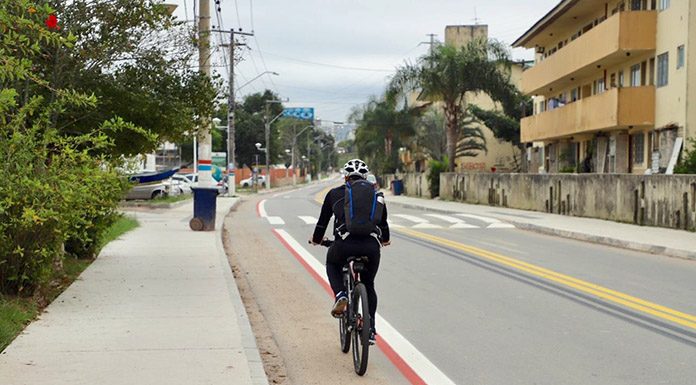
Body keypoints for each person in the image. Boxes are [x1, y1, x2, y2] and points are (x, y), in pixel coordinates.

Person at [309, 159, 390, 344]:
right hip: (370, 247)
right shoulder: (376, 195)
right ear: (365, 176)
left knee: (332, 263)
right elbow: (383, 224)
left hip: (344, 245)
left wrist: (316, 240)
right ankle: (370, 330)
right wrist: (385, 240)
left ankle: (341, 295)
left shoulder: (334, 194)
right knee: (368, 284)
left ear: (345, 176)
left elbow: (322, 223)